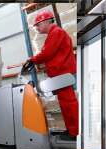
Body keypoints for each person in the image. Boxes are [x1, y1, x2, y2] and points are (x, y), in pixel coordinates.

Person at [26, 10, 78, 140]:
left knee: (69, 104)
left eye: (37, 25)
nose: (36, 28)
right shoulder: (54, 33)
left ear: (45, 21)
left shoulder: (56, 33)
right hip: (60, 74)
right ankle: (71, 130)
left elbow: (47, 52)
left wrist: (33, 60)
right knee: (65, 103)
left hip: (62, 73)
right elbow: (51, 54)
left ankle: (75, 132)